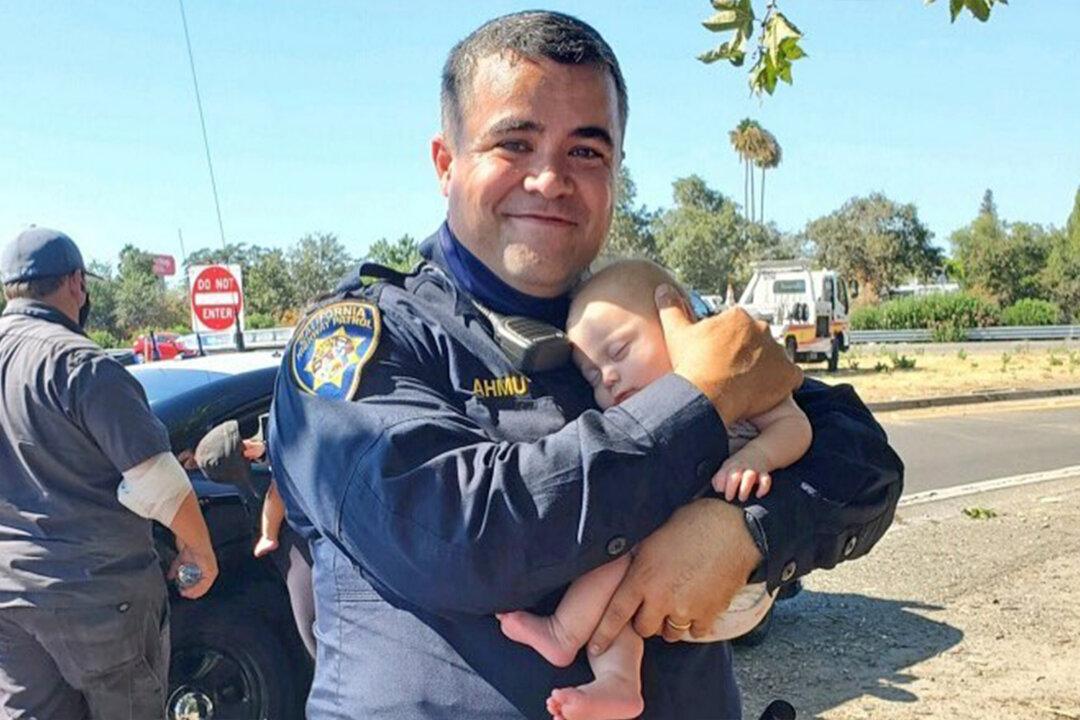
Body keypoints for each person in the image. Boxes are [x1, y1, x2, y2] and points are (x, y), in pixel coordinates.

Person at [268, 11, 904, 720]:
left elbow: (861, 458)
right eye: (515, 142)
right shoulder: (363, 341)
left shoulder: (639, 316)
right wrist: (693, 404)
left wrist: (747, 530)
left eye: (587, 152)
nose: (550, 178)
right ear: (447, 163)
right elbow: (458, 534)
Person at [496, 259, 813, 720]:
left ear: (677, 320)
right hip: (659, 606)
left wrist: (756, 459)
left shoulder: (737, 376)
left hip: (740, 590)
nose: (607, 376)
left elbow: (795, 424)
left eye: (620, 349)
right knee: (613, 558)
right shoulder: (625, 423)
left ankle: (567, 637)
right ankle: (607, 673)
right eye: (591, 374)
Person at [0, 227, 219, 719]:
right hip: (95, 597)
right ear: (76, 284)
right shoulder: (79, 363)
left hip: (8, 598)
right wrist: (199, 550)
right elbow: (155, 481)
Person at [193, 419, 317, 659]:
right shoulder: (274, 469)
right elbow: (278, 491)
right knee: (316, 629)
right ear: (245, 452)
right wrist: (268, 535)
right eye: (243, 443)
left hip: (291, 562)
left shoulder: (244, 487)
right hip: (303, 553)